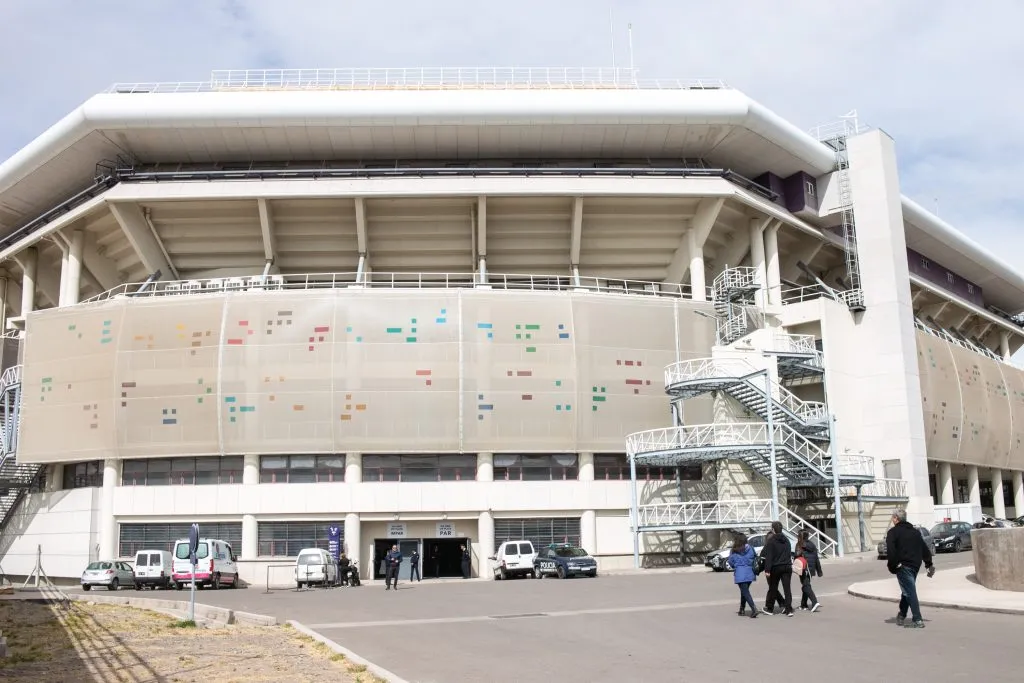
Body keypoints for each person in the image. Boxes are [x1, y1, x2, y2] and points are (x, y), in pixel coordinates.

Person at [885, 508, 935, 628]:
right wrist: (928, 564)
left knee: (910, 592)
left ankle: (918, 619)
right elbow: (924, 548)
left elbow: (891, 551)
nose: (892, 519)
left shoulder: (893, 532)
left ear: (896, 518)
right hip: (915, 566)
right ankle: (902, 615)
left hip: (903, 566)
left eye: (893, 517)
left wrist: (893, 565)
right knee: (907, 590)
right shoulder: (915, 532)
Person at [761, 521, 794, 617]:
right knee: (787, 589)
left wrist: (767, 570)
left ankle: (770, 609)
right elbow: (788, 553)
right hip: (787, 566)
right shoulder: (786, 540)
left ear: (773, 529)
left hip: (776, 567)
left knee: (773, 588)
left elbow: (769, 557)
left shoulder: (771, 541)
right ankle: (789, 610)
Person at [726, 534, 760, 618]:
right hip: (750, 572)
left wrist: (736, 566)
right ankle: (742, 609)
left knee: (745, 592)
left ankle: (754, 608)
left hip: (740, 573)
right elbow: (755, 557)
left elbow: (730, 562)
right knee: (744, 591)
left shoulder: (734, 550)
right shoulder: (750, 548)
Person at [797, 531, 822, 612]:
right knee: (806, 585)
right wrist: (819, 571)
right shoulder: (812, 545)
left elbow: (796, 555)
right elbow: (816, 558)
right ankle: (803, 604)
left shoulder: (800, 545)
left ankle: (814, 602)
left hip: (803, 569)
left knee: (806, 586)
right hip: (811, 569)